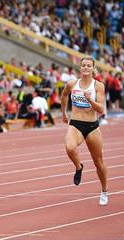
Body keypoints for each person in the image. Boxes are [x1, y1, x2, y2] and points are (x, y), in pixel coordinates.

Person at [61, 57, 108, 206]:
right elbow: (63, 95)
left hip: (92, 126)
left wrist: (90, 100)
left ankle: (104, 190)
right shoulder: (72, 84)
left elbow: (101, 109)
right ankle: (78, 167)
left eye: (89, 66)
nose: (86, 68)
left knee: (98, 162)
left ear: (93, 68)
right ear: (80, 68)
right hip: (75, 123)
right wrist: (64, 113)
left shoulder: (98, 86)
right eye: (83, 66)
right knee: (69, 147)